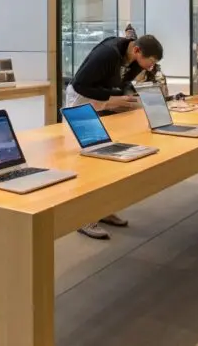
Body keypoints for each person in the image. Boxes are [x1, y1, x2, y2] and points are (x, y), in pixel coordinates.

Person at [66, 34, 163, 240]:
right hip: (82, 101)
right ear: (137, 51)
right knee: (87, 161)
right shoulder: (107, 54)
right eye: (151, 61)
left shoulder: (134, 60)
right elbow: (80, 85)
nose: (151, 66)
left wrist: (123, 98)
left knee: (105, 160)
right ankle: (83, 218)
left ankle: (103, 209)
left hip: (103, 100)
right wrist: (111, 99)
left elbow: (122, 83)